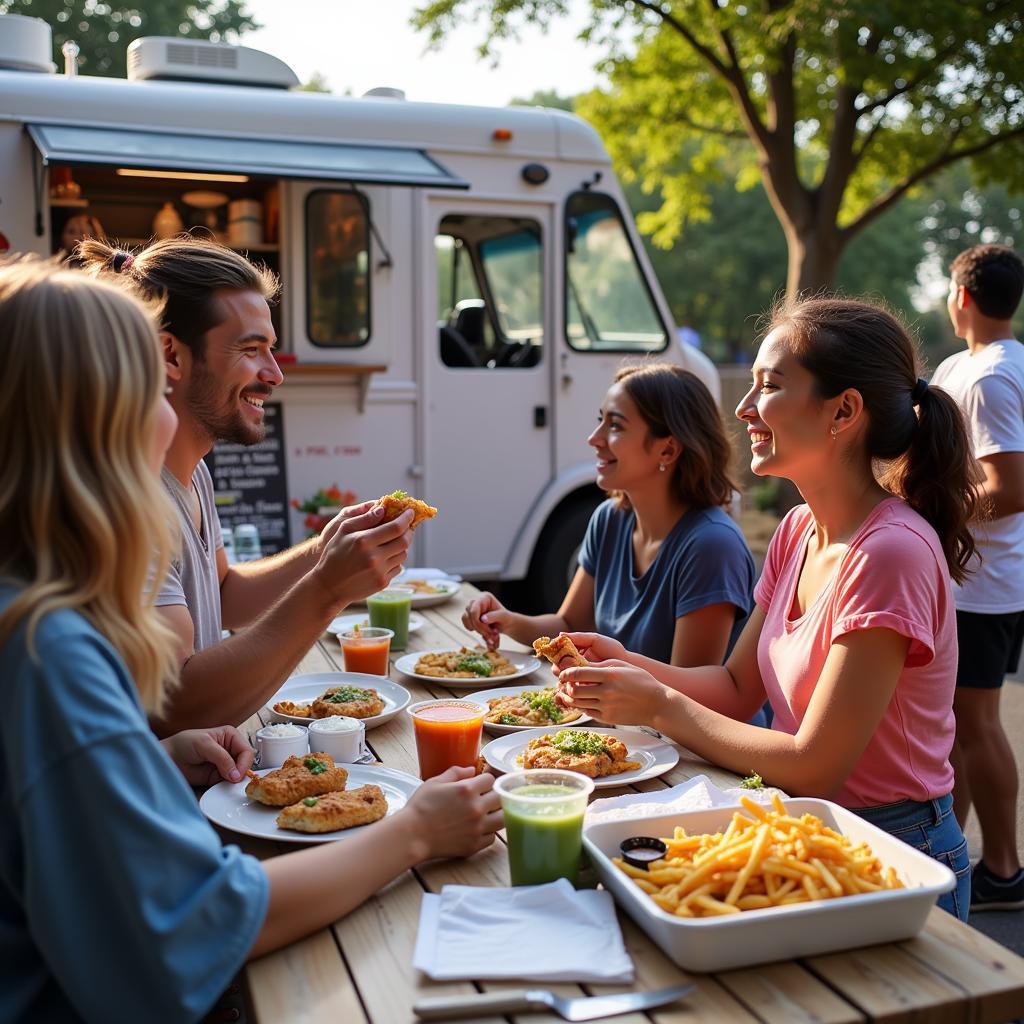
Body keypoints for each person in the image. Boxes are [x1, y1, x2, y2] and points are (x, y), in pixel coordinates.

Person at [0, 258, 502, 1024]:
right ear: (95, 418)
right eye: (145, 392)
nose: (165, 417)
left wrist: (152, 761)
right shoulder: (48, 652)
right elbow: (194, 933)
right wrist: (414, 833)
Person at [554, 298, 980, 920]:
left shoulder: (890, 553)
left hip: (895, 851)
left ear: (844, 411)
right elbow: (732, 687)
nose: (744, 409)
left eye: (770, 386)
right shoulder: (798, 528)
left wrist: (659, 703)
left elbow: (815, 768)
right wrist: (632, 670)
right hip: (804, 835)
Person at [78, 237, 413, 735]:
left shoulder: (193, 472)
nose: (274, 374)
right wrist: (327, 589)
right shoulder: (128, 496)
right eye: (251, 350)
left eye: (271, 350)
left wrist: (323, 550)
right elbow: (177, 707)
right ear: (171, 354)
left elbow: (223, 593)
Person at [463, 363, 755, 672]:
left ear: (667, 451)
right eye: (600, 421)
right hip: (624, 715)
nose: (594, 438)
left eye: (615, 426)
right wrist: (507, 620)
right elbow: (570, 622)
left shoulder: (712, 546)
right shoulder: (609, 520)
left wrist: (603, 672)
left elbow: (689, 693)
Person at [931, 243, 1024, 912]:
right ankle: (952, 858)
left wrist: (930, 511)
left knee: (977, 724)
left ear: (961, 296)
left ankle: (1003, 870)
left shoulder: (991, 376)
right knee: (958, 723)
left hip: (985, 583)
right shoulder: (964, 367)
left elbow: (1011, 487)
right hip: (973, 577)